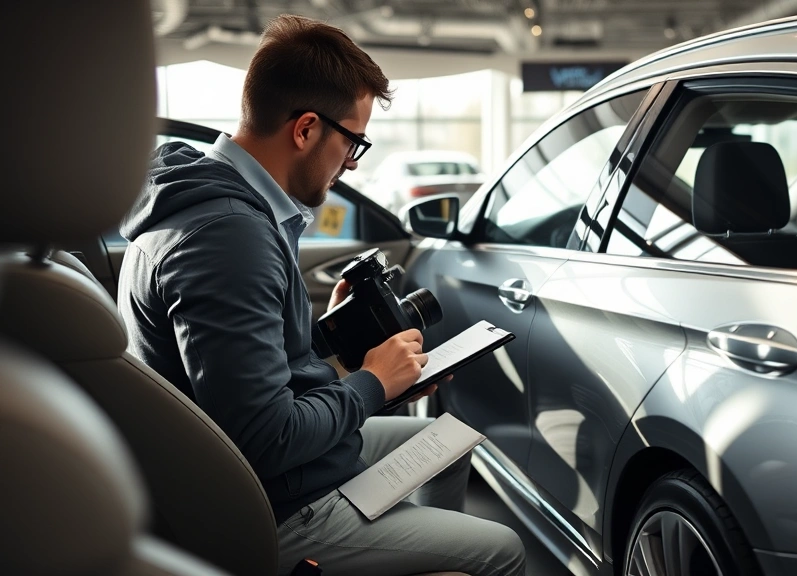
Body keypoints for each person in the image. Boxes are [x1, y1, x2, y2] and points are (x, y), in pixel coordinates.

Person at [117, 14, 526, 576]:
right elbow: (266, 437)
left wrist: (324, 340)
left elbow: (239, 367)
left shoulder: (213, 199)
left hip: (278, 472)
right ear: (306, 129)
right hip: (275, 506)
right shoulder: (230, 238)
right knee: (502, 550)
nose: (352, 163)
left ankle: (400, 550)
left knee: (446, 441)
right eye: (353, 141)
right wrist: (372, 383)